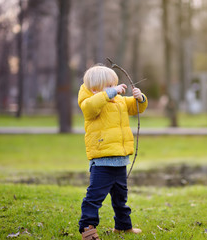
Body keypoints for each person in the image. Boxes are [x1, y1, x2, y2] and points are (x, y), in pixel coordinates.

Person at [78, 64, 148, 240]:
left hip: (120, 160)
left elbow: (136, 108)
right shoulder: (90, 103)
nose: (115, 90)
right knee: (94, 198)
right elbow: (90, 107)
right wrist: (109, 93)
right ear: (94, 89)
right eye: (109, 86)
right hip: (102, 161)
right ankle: (88, 229)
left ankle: (123, 226)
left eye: (114, 85)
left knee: (120, 198)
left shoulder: (119, 101)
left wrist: (140, 98)